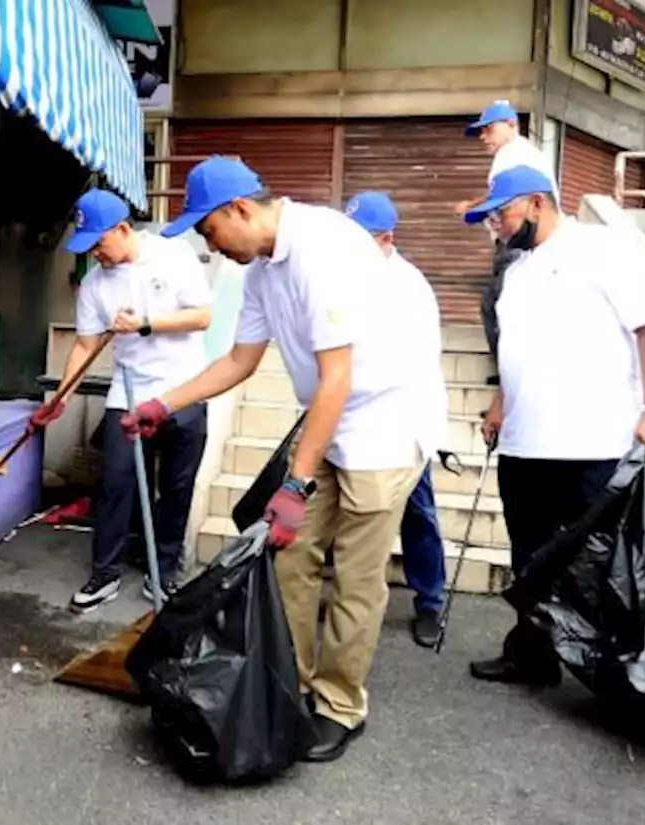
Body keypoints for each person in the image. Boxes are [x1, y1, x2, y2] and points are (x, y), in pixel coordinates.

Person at [122, 157, 435, 763]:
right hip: (329, 421)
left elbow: (337, 378)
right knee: (290, 561)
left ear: (239, 209)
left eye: (208, 231)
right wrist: (166, 402)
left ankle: (340, 705)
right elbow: (239, 360)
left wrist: (295, 479)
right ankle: (288, 683)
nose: (208, 245)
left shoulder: (324, 247)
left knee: (355, 576)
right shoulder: (263, 270)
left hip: (385, 427)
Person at [461, 165, 645, 687]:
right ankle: (533, 657)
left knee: (598, 567)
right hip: (524, 446)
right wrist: (499, 403)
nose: (497, 225)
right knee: (530, 559)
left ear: (537, 203)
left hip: (591, 444)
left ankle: (618, 680)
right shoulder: (517, 273)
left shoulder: (602, 249)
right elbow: (516, 349)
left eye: (502, 212)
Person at [33, 188, 212, 613]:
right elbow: (84, 345)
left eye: (99, 243)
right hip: (128, 391)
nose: (96, 253)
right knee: (116, 483)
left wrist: (147, 323)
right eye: (89, 246)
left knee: (177, 485)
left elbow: (202, 315)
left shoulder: (175, 255)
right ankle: (105, 573)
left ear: (122, 228)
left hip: (184, 388)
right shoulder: (96, 284)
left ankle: (163, 569)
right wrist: (60, 396)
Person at [344, 191, 449, 648]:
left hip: (403, 421)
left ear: (386, 238)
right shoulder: (349, 274)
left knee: (417, 512)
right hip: (355, 419)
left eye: (359, 237)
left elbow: (414, 361)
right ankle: (347, 596)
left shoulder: (410, 287)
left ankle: (430, 603)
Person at [452, 100, 561, 372]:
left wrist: (469, 205)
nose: (483, 136)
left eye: (489, 129)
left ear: (512, 125)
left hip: (520, 246)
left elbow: (504, 196)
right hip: (528, 244)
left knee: (498, 304)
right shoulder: (525, 154)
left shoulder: (510, 154)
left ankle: (506, 375)